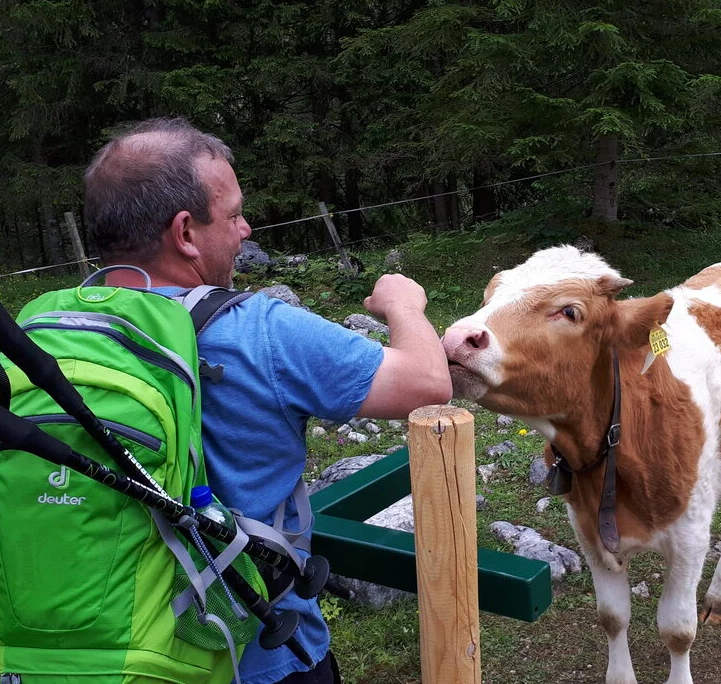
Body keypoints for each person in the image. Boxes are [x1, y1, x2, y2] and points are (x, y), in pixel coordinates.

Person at [82, 117, 452, 684]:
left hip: (95, 655)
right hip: (258, 656)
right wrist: (404, 303)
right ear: (185, 233)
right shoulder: (260, 331)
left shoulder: (39, 340)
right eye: (233, 215)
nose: (246, 229)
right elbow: (427, 382)